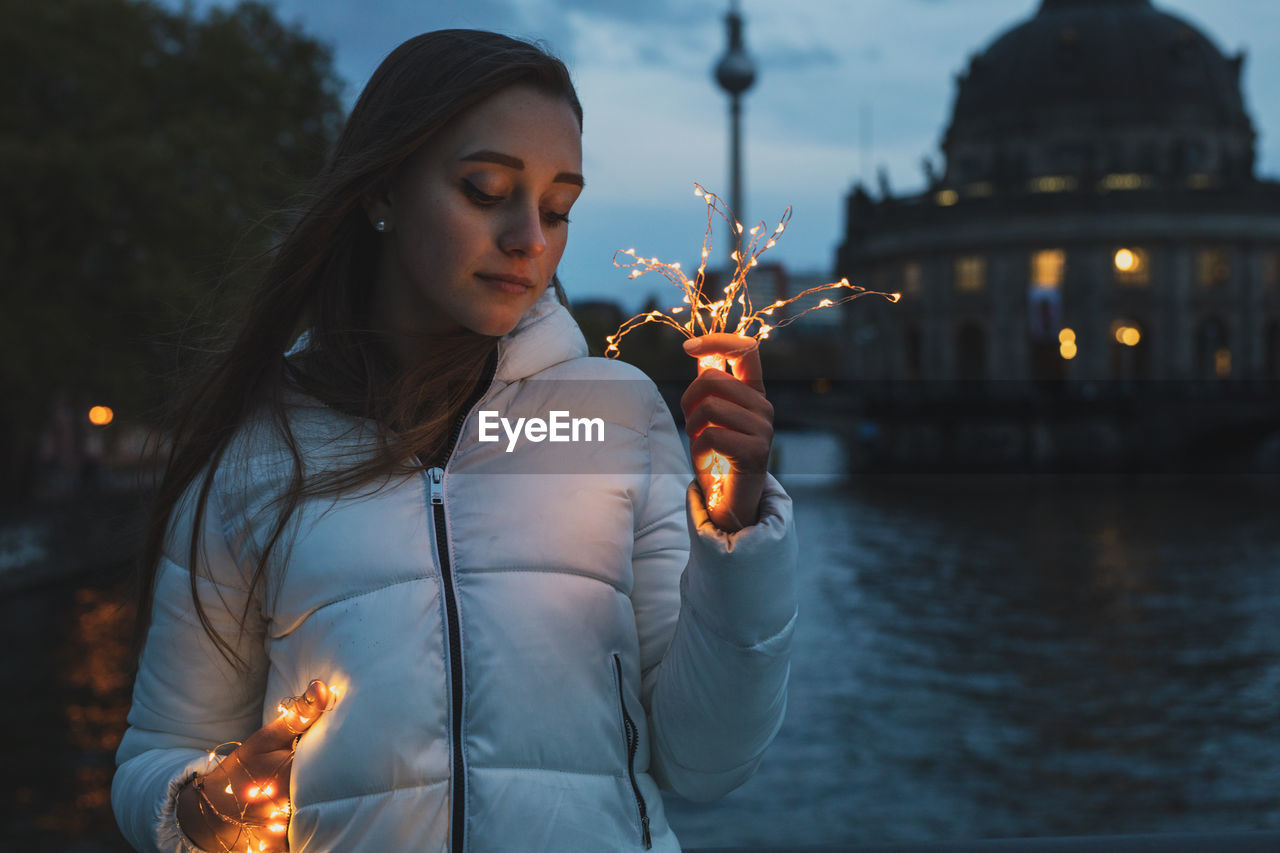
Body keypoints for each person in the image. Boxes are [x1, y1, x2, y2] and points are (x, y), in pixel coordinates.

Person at [112, 29, 797, 853]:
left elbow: (708, 760)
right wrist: (210, 806)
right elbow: (156, 755)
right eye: (485, 189)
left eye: (558, 209)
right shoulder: (261, 453)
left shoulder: (616, 418)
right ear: (384, 191)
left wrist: (738, 526)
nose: (530, 239)